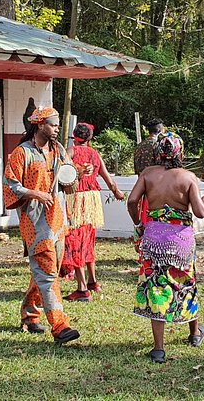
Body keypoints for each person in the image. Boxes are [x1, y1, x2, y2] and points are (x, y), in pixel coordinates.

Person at [127, 133, 204, 363]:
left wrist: (139, 224)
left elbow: (132, 201)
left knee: (156, 286)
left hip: (153, 237)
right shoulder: (188, 177)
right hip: (180, 239)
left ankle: (158, 348)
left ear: (158, 152)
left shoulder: (147, 174)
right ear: (180, 153)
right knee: (187, 282)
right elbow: (200, 212)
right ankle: (194, 334)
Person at [3, 106, 81, 345]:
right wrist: (35, 193)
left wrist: (77, 174)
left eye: (57, 125)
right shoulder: (22, 153)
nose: (56, 129)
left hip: (58, 221)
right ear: (39, 125)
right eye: (52, 124)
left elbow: (69, 181)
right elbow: (10, 185)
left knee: (47, 272)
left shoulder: (58, 150)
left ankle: (30, 315)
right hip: (35, 224)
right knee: (47, 274)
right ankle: (60, 326)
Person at [62, 122, 125, 302]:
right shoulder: (95, 154)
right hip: (93, 202)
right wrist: (117, 193)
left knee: (75, 241)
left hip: (77, 200)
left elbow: (63, 174)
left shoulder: (70, 152)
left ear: (74, 136)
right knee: (88, 240)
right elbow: (109, 180)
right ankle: (93, 282)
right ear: (90, 138)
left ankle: (82, 289)